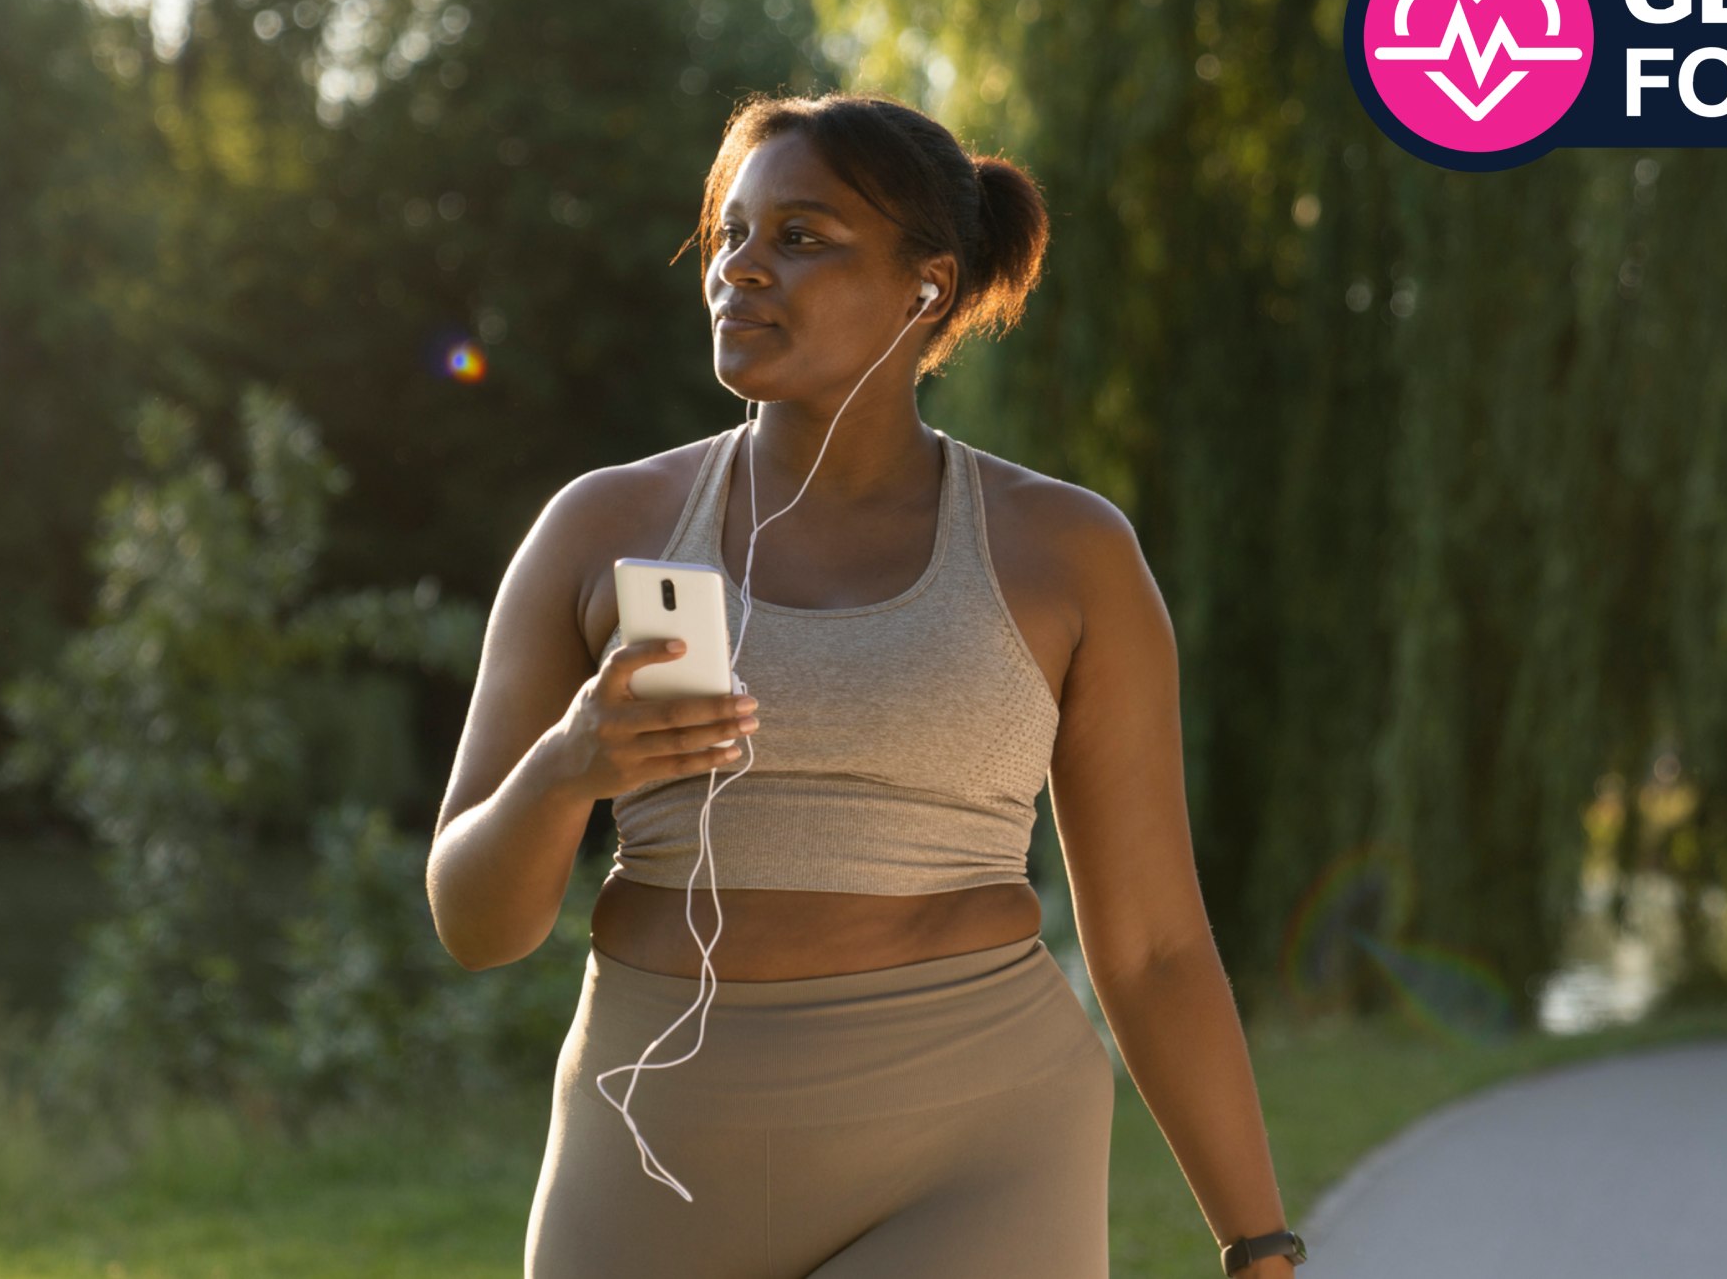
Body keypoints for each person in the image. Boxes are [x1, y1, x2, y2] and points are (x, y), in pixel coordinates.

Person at [426, 90, 1304, 1278]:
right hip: (651, 1151)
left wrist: (1259, 1243)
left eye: (801, 238)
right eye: (731, 234)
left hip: (975, 1149)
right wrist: (568, 766)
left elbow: (1151, 948)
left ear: (925, 287)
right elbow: (475, 923)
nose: (743, 268)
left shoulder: (1066, 551)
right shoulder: (602, 527)